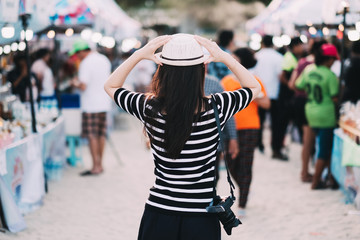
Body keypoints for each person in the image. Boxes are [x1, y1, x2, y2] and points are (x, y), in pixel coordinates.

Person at [104, 34, 261, 240]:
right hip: (201, 215)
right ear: (201, 71)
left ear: (163, 71)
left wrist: (140, 54)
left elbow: (111, 86)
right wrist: (223, 56)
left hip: (159, 211)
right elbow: (254, 87)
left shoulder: (149, 107)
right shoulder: (217, 106)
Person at [222, 48, 270, 217]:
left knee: (246, 164)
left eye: (235, 58)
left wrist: (252, 94)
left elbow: (266, 104)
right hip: (229, 128)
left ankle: (242, 202)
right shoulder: (226, 81)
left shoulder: (255, 81)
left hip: (250, 127)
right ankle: (244, 187)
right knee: (231, 163)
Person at [295, 43, 339, 190]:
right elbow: (334, 98)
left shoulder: (308, 69)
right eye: (333, 59)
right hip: (326, 115)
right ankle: (316, 182)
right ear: (327, 60)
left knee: (317, 145)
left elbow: (298, 85)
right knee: (324, 150)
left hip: (311, 112)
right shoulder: (330, 75)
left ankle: (330, 178)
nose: (333, 62)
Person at [70, 40, 112, 176]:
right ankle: (101, 164)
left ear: (82, 51)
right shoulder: (104, 59)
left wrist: (74, 82)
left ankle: (95, 166)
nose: (77, 57)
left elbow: (83, 86)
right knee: (101, 135)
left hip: (90, 105)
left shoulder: (86, 63)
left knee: (92, 135)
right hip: (104, 103)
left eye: (77, 54)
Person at [289, 39, 327, 183]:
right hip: (312, 102)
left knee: (307, 140)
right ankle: (306, 172)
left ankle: (305, 171)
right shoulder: (317, 65)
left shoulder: (303, 62)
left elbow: (292, 84)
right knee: (310, 140)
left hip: (299, 102)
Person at [204, 72, 239, 185]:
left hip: (212, 140)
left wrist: (233, 138)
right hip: (183, 140)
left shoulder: (214, 83)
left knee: (212, 176)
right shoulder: (174, 81)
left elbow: (227, 112)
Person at [253, 35, 283, 155]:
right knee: (276, 124)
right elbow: (280, 76)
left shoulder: (257, 56)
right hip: (274, 93)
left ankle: (259, 144)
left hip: (259, 94)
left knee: (260, 120)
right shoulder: (279, 57)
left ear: (262, 44)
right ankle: (275, 147)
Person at [276, 37, 304, 160]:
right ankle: (277, 150)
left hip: (287, 97)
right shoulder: (289, 57)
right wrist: (291, 87)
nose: (303, 47)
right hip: (285, 98)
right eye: (301, 45)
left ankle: (279, 148)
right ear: (295, 45)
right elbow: (282, 76)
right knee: (281, 124)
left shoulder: (293, 57)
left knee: (283, 124)